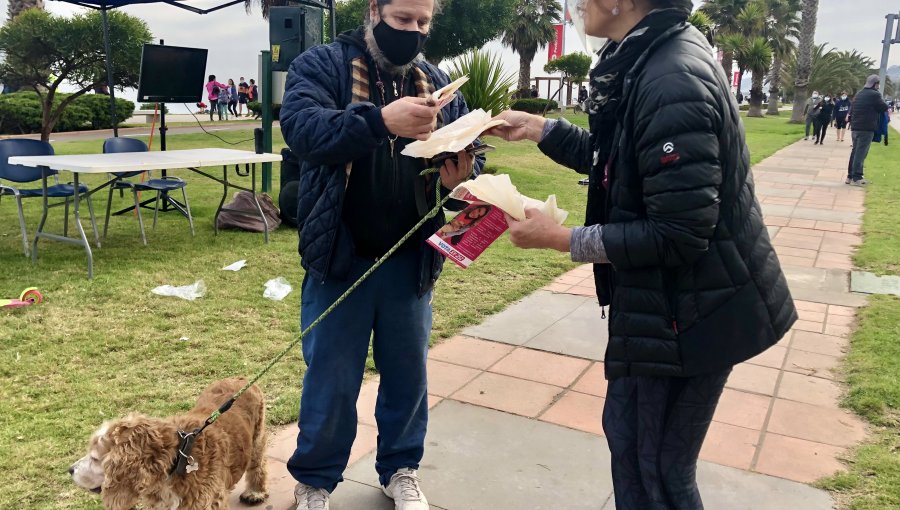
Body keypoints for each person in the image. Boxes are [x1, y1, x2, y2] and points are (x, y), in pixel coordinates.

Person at [486, 1, 796, 508]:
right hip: (667, 308)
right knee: (635, 449)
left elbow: (678, 233)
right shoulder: (649, 57)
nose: (578, 4)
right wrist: (542, 130)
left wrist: (563, 239)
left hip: (690, 314)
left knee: (657, 470)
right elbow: (625, 161)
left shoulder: (670, 76)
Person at [278, 0, 484, 508]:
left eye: (422, 23)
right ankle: (315, 478)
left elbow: (464, 165)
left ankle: (401, 469)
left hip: (411, 261)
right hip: (339, 259)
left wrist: (461, 179)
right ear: (374, 10)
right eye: (402, 20)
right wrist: (380, 122)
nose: (413, 32)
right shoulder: (322, 65)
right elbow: (303, 132)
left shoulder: (436, 82)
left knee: (407, 377)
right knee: (330, 379)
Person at [847, 75, 889, 185]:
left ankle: (850, 176)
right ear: (875, 84)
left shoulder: (859, 94)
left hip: (855, 127)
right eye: (878, 84)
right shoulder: (875, 94)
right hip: (866, 128)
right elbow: (883, 107)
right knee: (861, 153)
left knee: (855, 151)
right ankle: (857, 177)